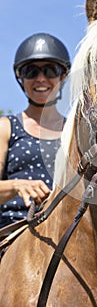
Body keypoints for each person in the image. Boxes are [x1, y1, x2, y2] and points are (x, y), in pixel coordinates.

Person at [0, 33, 71, 228]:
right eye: (31, 71)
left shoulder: (74, 132)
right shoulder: (6, 127)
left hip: (65, 232)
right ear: (20, 78)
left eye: (50, 70)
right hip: (14, 229)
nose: (41, 79)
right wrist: (18, 185)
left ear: (62, 77)